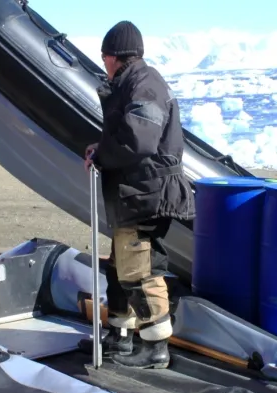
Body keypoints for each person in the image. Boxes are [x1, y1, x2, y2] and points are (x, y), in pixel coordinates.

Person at [84, 20, 195, 369]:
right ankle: (121, 336)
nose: (104, 66)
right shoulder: (136, 82)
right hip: (134, 192)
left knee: (140, 269)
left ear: (114, 57)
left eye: (104, 59)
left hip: (146, 193)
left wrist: (102, 154)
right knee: (120, 268)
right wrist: (100, 147)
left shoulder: (144, 84)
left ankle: (155, 347)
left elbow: (139, 139)